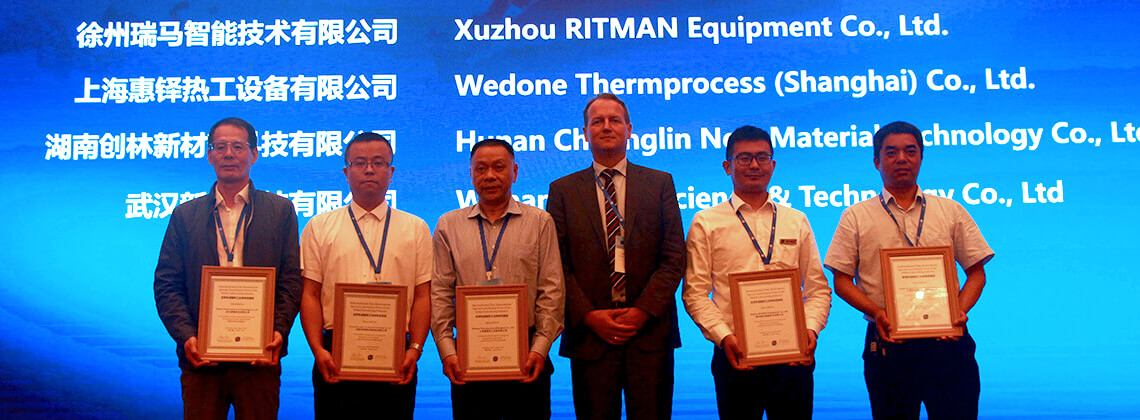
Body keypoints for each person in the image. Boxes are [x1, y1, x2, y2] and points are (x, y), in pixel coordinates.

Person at [825, 121, 994, 419]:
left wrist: (958, 313)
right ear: (877, 161)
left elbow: (977, 273)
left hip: (948, 343)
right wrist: (877, 312)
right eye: (891, 152)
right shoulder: (855, 216)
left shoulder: (950, 211)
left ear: (921, 158)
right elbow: (841, 281)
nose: (901, 159)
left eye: (910, 151)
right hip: (888, 341)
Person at [547, 93, 686, 420]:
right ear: (585, 133)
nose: (606, 127)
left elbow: (674, 256)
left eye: (614, 120)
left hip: (649, 334)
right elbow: (556, 264)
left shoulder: (660, 183)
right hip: (590, 338)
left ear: (629, 129)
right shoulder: (563, 190)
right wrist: (588, 315)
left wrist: (642, 311)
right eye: (597, 121)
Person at [154, 117, 302, 420]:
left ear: (254, 154)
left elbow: (291, 280)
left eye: (238, 146)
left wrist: (278, 330)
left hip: (259, 358)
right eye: (220, 147)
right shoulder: (185, 215)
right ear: (210, 156)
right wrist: (187, 336)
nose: (229, 154)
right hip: (201, 359)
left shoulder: (280, 211)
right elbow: (167, 284)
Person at [682, 125, 832, 419]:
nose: (754, 165)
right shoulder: (706, 222)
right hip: (735, 356)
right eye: (744, 158)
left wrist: (810, 329)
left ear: (772, 165)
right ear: (727, 166)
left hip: (793, 358)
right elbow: (695, 294)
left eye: (762, 157)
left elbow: (817, 289)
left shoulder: (796, 220)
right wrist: (725, 337)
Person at [298, 132, 431, 419]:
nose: (369, 170)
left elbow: (423, 296)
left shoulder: (416, 228)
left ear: (391, 172)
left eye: (378, 163)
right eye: (359, 163)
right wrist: (318, 350)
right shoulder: (319, 226)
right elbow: (309, 294)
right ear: (346, 173)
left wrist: (415, 350)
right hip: (333, 355)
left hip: (397, 355)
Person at [431, 138, 565, 419]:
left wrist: (540, 348)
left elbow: (552, 290)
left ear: (514, 172)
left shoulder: (540, 222)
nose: (489, 175)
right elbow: (440, 293)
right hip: (469, 359)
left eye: (499, 167)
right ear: (471, 174)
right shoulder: (448, 225)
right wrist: (447, 350)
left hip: (528, 357)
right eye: (481, 168)